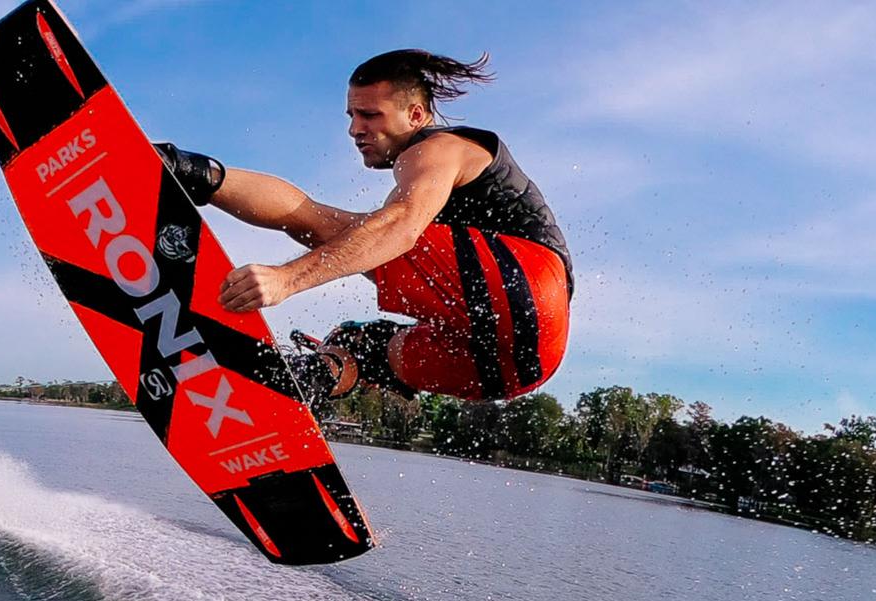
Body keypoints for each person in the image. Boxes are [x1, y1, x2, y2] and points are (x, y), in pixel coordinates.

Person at [155, 49, 571, 406]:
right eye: (352, 114)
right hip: (525, 365)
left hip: (527, 282)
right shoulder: (422, 177)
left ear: (415, 114)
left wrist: (287, 279)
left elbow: (402, 226)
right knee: (362, 346)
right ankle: (306, 382)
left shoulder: (437, 149)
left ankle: (180, 167)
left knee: (330, 224)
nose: (355, 129)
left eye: (370, 115)